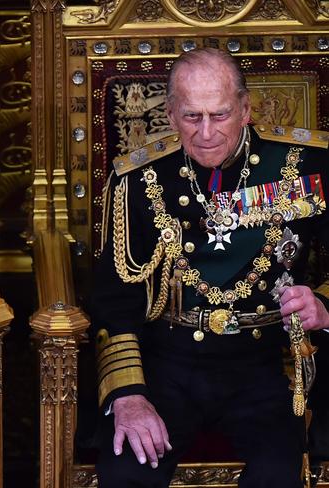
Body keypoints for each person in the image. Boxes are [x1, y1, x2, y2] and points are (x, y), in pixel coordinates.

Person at [92, 47, 329, 487]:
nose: (204, 133)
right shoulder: (136, 180)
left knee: (278, 477)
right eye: (190, 116)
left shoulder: (305, 164)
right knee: (126, 474)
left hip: (267, 364)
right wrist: (128, 394)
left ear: (245, 109)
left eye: (219, 115)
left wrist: (324, 306)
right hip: (169, 362)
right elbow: (113, 299)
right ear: (170, 112)